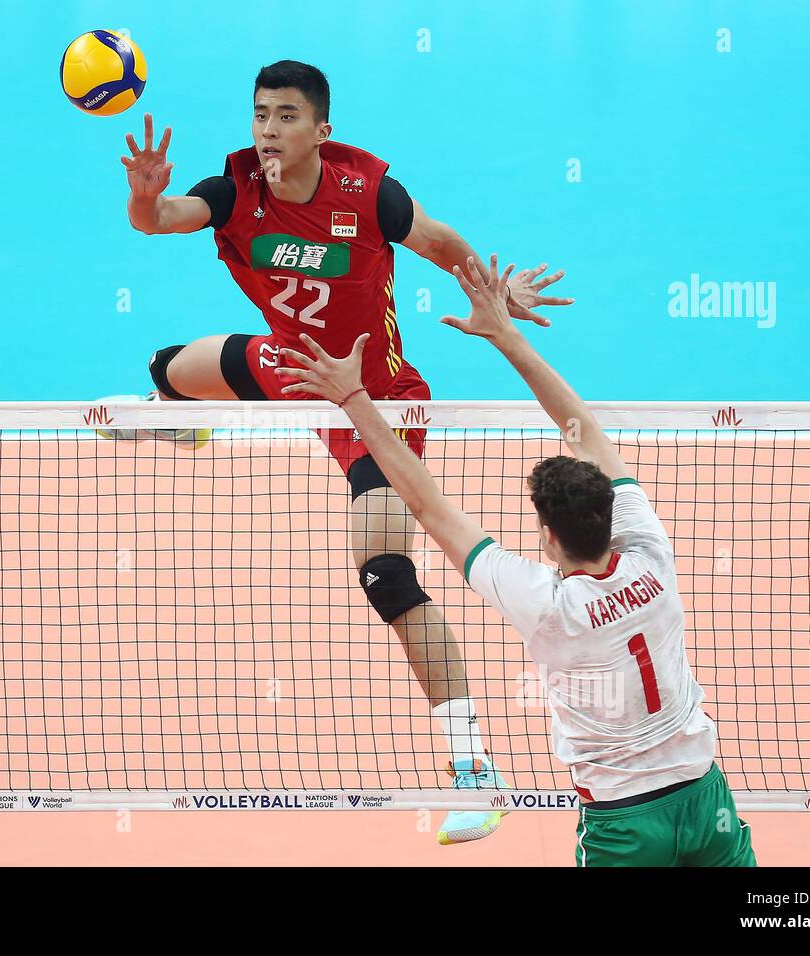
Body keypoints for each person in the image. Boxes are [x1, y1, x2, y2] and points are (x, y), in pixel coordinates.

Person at [114, 59, 573, 845]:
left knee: (385, 574)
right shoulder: (232, 193)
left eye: (286, 117)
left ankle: (476, 770)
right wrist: (146, 196)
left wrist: (494, 301)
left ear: (320, 131)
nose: (267, 130)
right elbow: (158, 223)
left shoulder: (368, 193)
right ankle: (193, 423)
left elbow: (442, 243)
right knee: (163, 374)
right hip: (292, 371)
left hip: (377, 403)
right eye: (260, 115)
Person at [276, 255, 756, 866]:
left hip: (623, 823)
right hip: (705, 798)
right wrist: (506, 332)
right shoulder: (649, 554)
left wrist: (354, 400)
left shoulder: (547, 605)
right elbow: (581, 429)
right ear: (611, 513)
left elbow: (427, 506)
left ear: (548, 538)